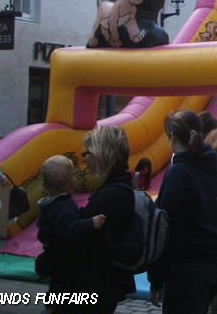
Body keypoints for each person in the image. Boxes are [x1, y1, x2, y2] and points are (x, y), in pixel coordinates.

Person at [148, 109, 217, 314]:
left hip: (190, 264)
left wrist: (156, 278)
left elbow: (169, 230)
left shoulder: (180, 173)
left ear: (172, 136)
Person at [35, 155, 106, 311]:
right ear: (73, 182)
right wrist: (90, 223)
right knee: (62, 284)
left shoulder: (50, 202)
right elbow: (67, 229)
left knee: (58, 282)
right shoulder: (63, 205)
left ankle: (53, 304)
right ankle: (53, 307)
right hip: (62, 258)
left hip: (54, 254)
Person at [80, 125, 137, 313]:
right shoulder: (121, 187)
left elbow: (82, 239)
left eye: (87, 152)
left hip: (96, 282)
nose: (84, 158)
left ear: (102, 153)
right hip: (107, 282)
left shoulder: (110, 194)